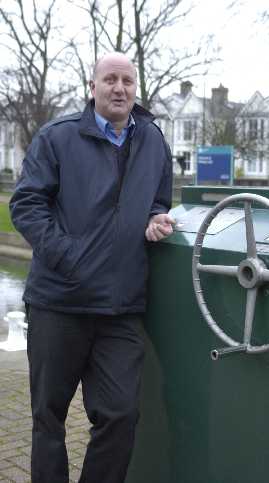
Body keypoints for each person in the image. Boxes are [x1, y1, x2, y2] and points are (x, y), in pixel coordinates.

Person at [10, 52, 174, 483]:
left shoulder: (154, 140)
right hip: (58, 303)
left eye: (128, 81)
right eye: (110, 80)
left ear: (136, 88)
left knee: (121, 415)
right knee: (48, 419)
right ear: (93, 86)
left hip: (119, 308)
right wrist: (69, 257)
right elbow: (26, 205)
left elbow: (159, 199)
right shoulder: (57, 137)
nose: (119, 88)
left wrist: (156, 217)